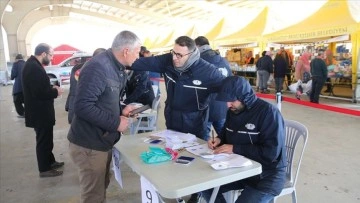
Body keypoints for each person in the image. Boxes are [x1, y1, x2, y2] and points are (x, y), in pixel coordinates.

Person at [131, 36, 225, 203]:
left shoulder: (208, 71)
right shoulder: (168, 61)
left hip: (195, 122)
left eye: (180, 55)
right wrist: (120, 59)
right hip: (172, 118)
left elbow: (229, 93)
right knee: (173, 155)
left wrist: (223, 123)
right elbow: (140, 63)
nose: (175, 58)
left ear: (192, 53)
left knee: (196, 161)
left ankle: (197, 194)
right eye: (173, 53)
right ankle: (177, 189)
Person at [67, 30, 139, 203]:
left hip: (101, 142)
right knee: (93, 195)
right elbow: (82, 106)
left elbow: (103, 99)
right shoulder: (98, 67)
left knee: (100, 187)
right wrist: (116, 123)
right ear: (126, 51)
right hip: (89, 144)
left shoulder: (115, 67)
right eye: (137, 52)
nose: (138, 57)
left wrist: (121, 108)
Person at [202, 76, 287, 203]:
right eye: (226, 101)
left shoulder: (268, 113)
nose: (228, 104)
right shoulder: (234, 110)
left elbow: (271, 153)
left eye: (232, 100)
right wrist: (219, 139)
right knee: (205, 187)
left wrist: (235, 148)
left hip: (267, 176)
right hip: (240, 170)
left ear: (244, 97)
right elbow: (227, 131)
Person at [22, 43, 65, 177]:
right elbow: (39, 93)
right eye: (51, 55)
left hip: (41, 111)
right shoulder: (33, 67)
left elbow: (40, 85)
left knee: (47, 138)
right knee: (43, 140)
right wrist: (55, 92)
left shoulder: (34, 65)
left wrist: (52, 88)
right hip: (39, 112)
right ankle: (44, 169)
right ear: (43, 54)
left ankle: (50, 161)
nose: (51, 58)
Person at [194, 36, 232, 141]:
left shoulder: (198, 61)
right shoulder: (223, 60)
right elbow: (231, 81)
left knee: (203, 141)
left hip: (204, 106)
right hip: (222, 106)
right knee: (225, 138)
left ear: (197, 46)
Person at [65, 48, 106, 124]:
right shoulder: (95, 69)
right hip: (86, 110)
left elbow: (73, 88)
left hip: (74, 106)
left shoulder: (77, 67)